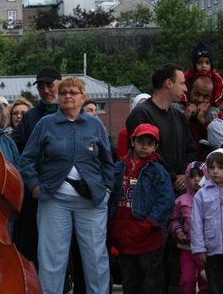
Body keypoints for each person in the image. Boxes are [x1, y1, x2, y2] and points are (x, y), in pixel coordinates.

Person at [18, 76, 114, 294]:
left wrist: (107, 189)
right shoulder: (46, 123)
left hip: (91, 200)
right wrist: (34, 186)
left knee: (96, 259)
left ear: (83, 97)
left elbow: (109, 161)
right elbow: (27, 159)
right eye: (63, 93)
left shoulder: (95, 124)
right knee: (52, 259)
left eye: (73, 92)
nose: (68, 96)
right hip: (54, 199)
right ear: (58, 98)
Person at [108, 123, 175, 294]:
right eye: (141, 141)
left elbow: (166, 200)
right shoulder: (118, 167)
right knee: (130, 282)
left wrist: (149, 222)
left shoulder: (158, 171)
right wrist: (111, 222)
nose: (144, 146)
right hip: (124, 237)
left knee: (152, 282)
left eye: (149, 143)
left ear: (155, 147)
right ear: (133, 141)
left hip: (148, 238)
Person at [12, 67, 62, 268]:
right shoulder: (31, 116)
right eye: (41, 86)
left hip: (62, 187)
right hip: (35, 188)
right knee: (31, 238)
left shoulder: (68, 113)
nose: (45, 90)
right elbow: (16, 148)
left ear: (60, 83)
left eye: (49, 85)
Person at [126, 64, 197, 193]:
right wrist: (173, 177)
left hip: (178, 191)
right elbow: (145, 152)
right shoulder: (141, 114)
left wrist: (184, 174)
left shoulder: (178, 117)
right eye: (181, 83)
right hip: (151, 190)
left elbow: (191, 149)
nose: (186, 89)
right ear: (169, 83)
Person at [168, 161, 209, 294]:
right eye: (192, 176)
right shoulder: (182, 200)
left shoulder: (212, 199)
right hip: (187, 248)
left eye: (200, 175)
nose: (196, 179)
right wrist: (178, 231)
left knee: (206, 281)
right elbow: (173, 219)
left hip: (206, 250)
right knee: (187, 279)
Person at [192, 148, 223, 294]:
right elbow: (196, 223)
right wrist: (199, 248)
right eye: (212, 167)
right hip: (212, 249)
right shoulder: (201, 194)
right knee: (215, 286)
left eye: (220, 168)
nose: (215, 171)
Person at [174, 75, 219, 161]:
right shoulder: (177, 110)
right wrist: (186, 116)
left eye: (206, 97)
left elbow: (217, 142)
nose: (200, 99)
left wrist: (202, 120)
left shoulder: (215, 116)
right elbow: (173, 134)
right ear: (189, 92)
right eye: (197, 94)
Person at [181, 42, 223, 107]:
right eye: (200, 63)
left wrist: (213, 103)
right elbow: (182, 88)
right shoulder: (188, 75)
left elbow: (220, 91)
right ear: (195, 65)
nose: (203, 66)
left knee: (212, 113)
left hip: (209, 105)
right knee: (177, 108)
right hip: (190, 103)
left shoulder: (216, 77)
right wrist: (185, 102)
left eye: (207, 63)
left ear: (211, 65)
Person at [117, 93, 150, 160]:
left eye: (146, 105)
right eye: (140, 105)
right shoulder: (125, 133)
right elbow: (121, 158)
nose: (143, 109)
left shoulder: (159, 130)